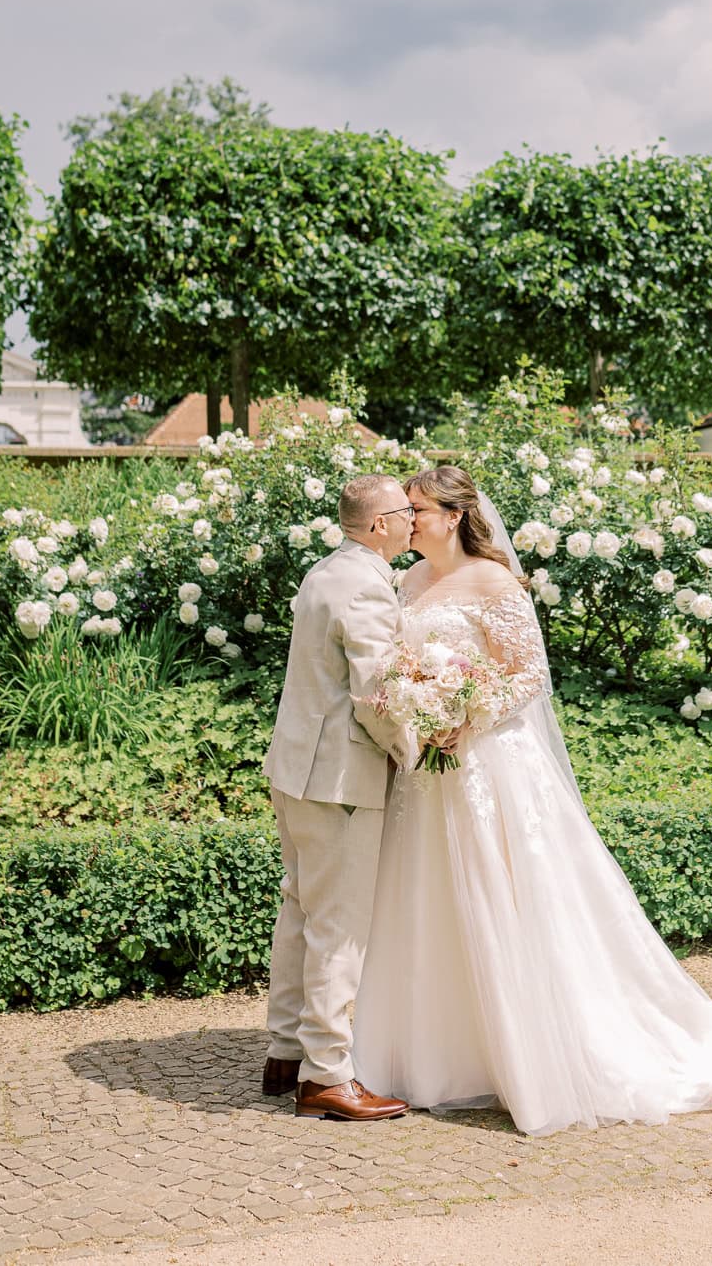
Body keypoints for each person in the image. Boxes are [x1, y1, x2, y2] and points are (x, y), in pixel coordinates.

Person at [352, 465, 712, 1137]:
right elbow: (402, 666)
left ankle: (525, 1053)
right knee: (426, 899)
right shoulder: (410, 581)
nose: (407, 519)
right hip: (427, 770)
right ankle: (432, 1058)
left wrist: (467, 716)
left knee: (502, 895)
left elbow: (529, 675)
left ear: (452, 515)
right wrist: (417, 708)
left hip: (489, 764)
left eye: (417, 508)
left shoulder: (493, 582)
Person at [260, 472, 419, 1121]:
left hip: (295, 768)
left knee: (300, 908)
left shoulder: (325, 571)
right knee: (338, 926)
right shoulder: (366, 585)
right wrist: (414, 751)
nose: (414, 518)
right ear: (380, 524)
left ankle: (284, 1051)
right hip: (339, 781)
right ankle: (326, 1074)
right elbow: (376, 694)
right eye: (405, 511)